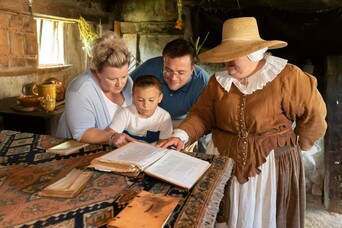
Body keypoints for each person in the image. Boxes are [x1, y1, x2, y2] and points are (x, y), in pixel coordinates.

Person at [156, 17, 327, 227]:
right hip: (225, 159)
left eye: (233, 55)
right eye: (225, 55)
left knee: (265, 217)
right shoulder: (218, 82)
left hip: (271, 165)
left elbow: (314, 115)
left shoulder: (287, 77)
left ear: (253, 53)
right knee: (228, 216)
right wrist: (180, 135)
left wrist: (299, 146)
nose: (226, 61)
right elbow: (202, 115)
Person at [56, 31, 136, 145]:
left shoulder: (129, 83)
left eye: (123, 76)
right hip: (76, 152)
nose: (120, 84)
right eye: (112, 79)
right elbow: (82, 132)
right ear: (98, 72)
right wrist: (112, 136)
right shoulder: (80, 90)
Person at [130, 38, 210, 151]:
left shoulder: (202, 82)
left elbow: (204, 119)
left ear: (192, 69)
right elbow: (126, 89)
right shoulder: (149, 68)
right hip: (152, 117)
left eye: (181, 72)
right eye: (168, 70)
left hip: (184, 122)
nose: (173, 78)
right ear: (163, 62)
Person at [107, 75, 173, 145]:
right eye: (140, 100)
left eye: (151, 100)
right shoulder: (126, 113)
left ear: (160, 98)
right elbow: (110, 134)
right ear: (133, 97)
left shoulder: (164, 117)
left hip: (152, 152)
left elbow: (163, 144)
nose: (146, 105)